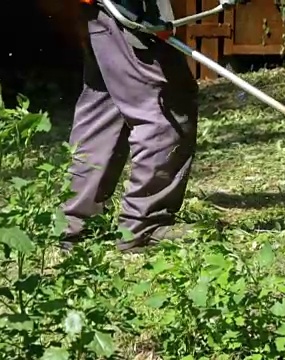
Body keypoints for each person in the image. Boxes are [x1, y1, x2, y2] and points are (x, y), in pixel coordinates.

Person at [60, 0, 199, 253]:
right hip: (129, 9)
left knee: (104, 111)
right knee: (165, 106)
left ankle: (76, 224)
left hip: (104, 12)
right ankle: (144, 226)